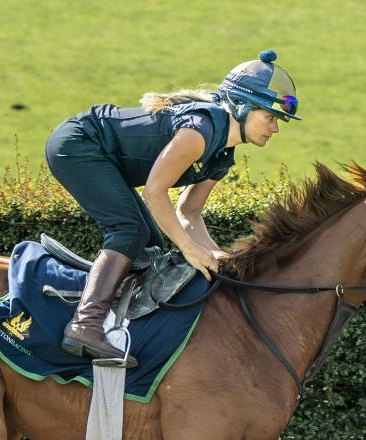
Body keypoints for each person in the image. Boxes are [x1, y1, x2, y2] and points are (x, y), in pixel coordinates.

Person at [45, 49, 300, 367]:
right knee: (129, 231)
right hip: (78, 144)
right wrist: (190, 249)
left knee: (150, 241)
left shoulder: (222, 158)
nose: (275, 128)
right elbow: (155, 192)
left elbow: (189, 212)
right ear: (241, 106)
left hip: (103, 156)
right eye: (270, 117)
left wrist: (219, 259)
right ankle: (85, 324)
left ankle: (117, 319)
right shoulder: (199, 131)